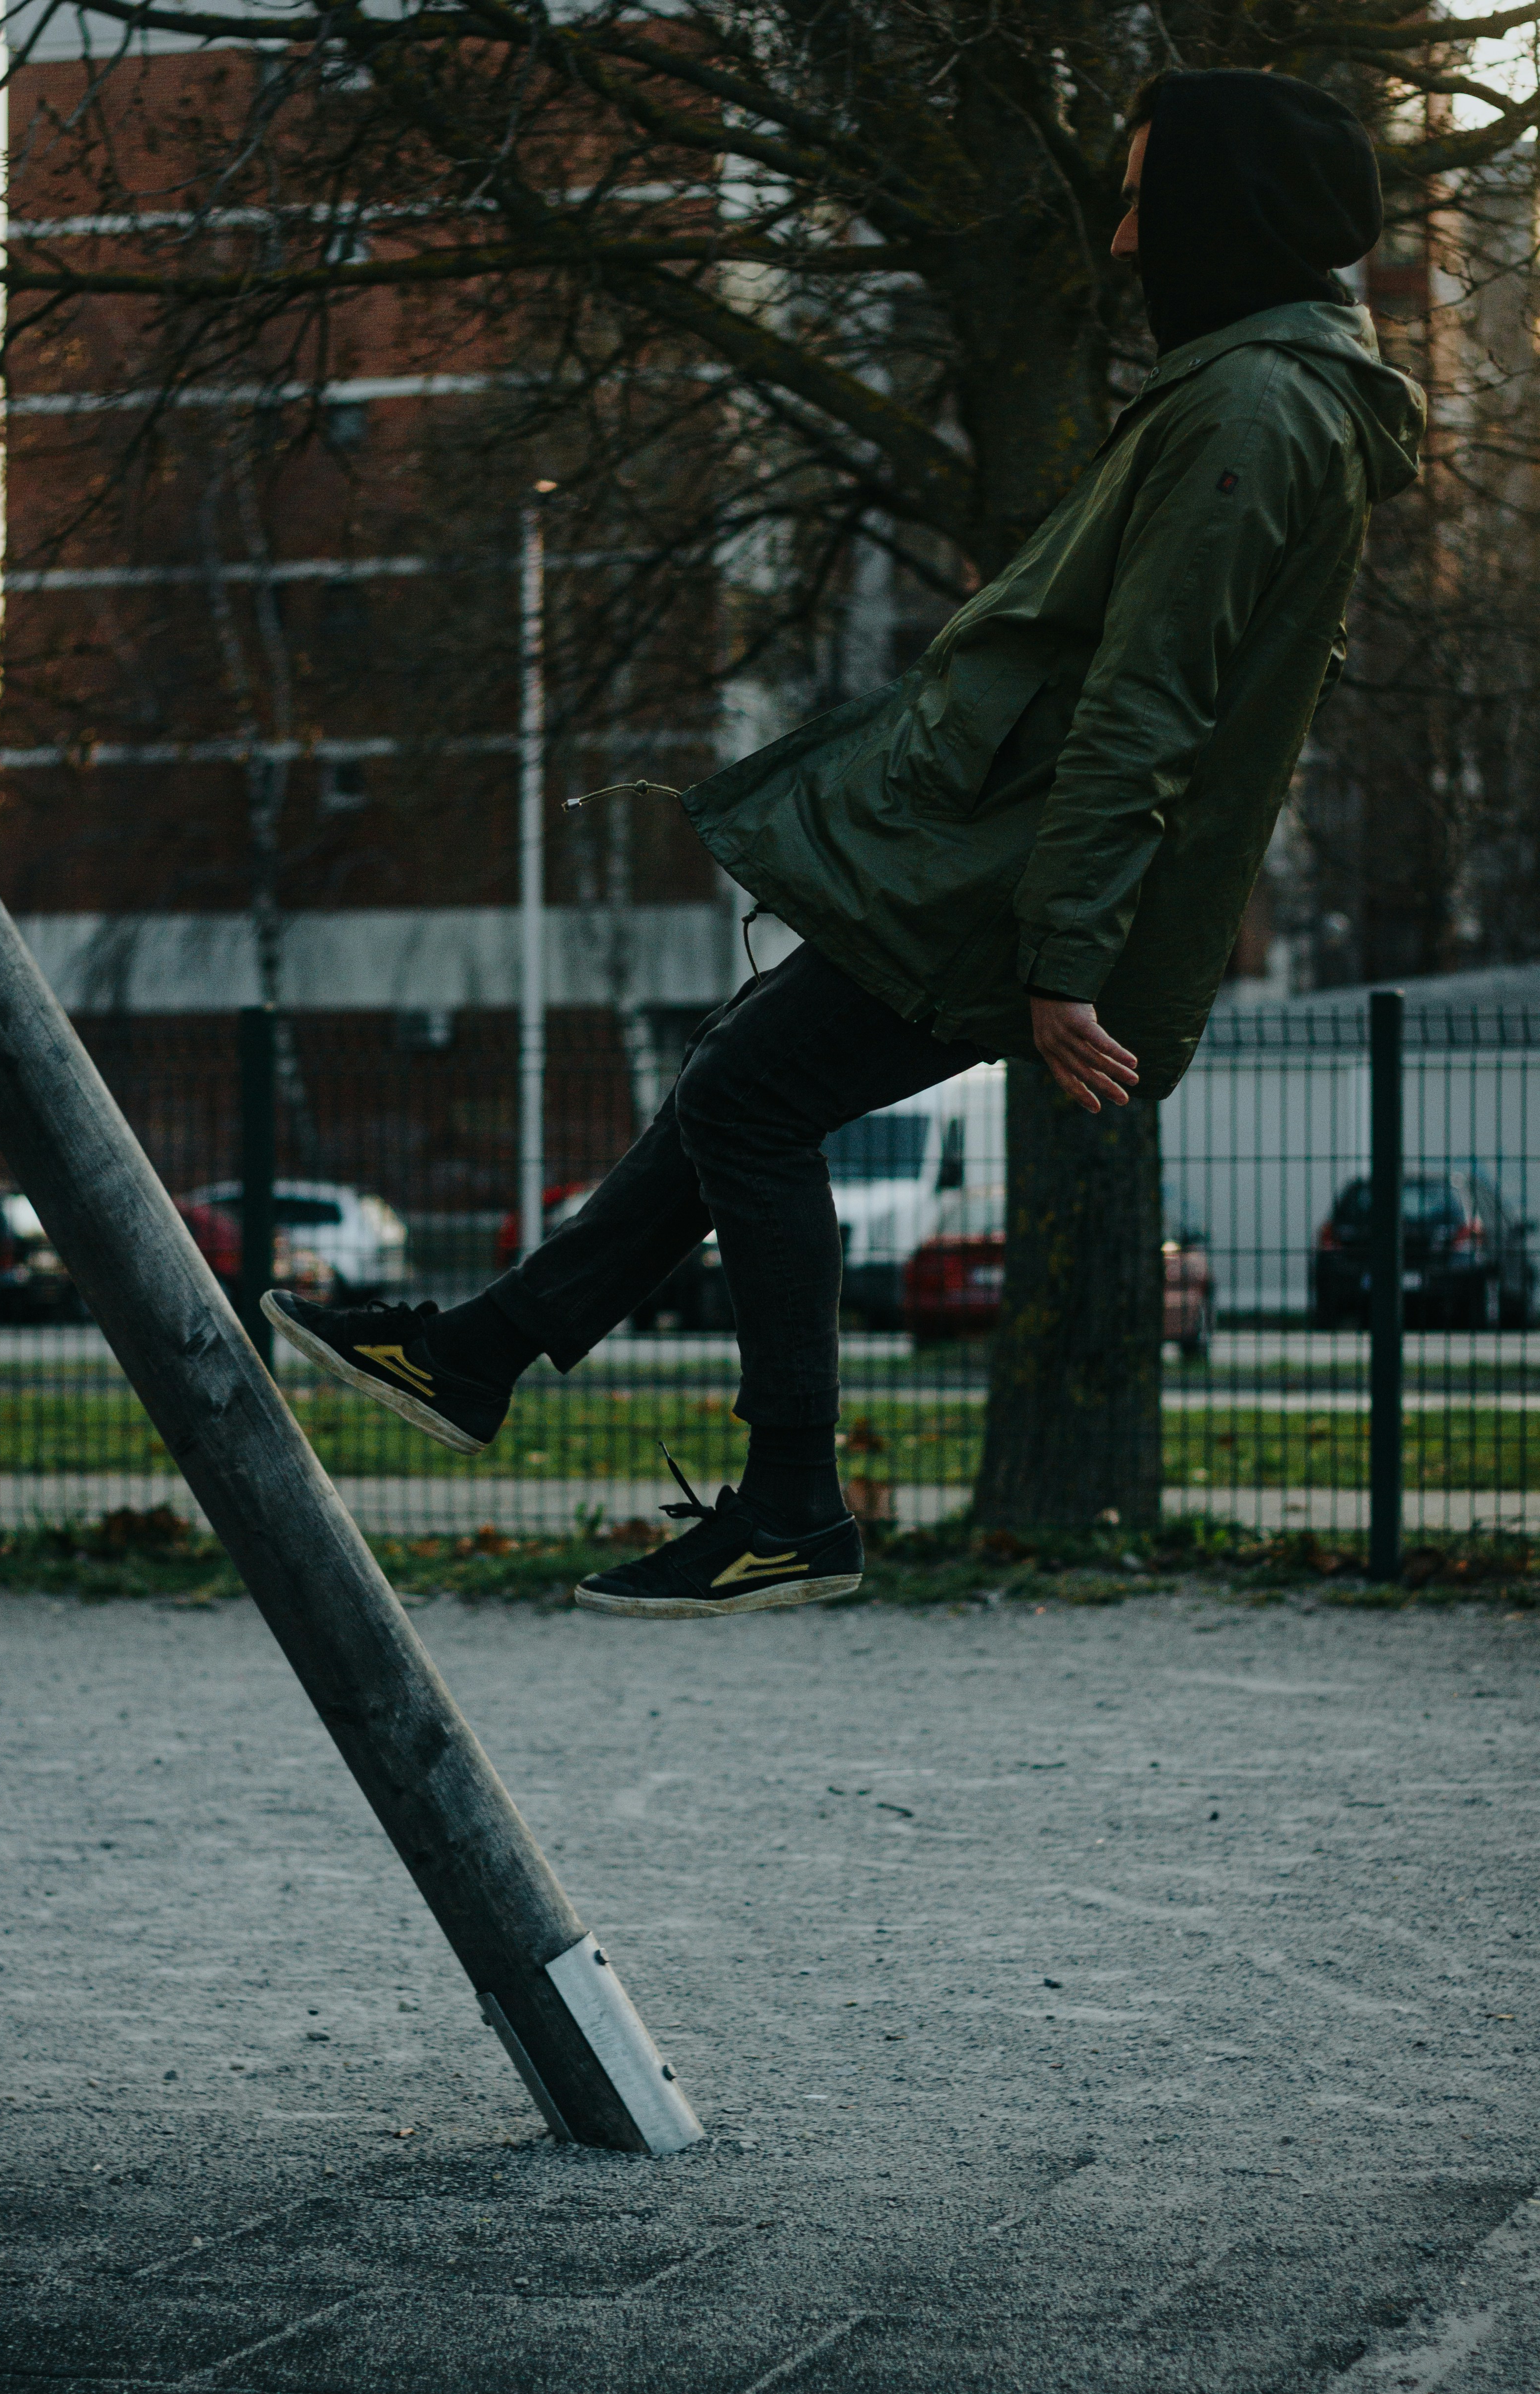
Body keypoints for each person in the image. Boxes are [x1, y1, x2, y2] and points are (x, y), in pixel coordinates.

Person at [265, 67, 1423, 1619]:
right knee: (745, 1062)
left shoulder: (1251, 412)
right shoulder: (1270, 398)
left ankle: (788, 1502)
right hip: (1017, 857)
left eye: (1151, 201)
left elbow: (1154, 706)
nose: (1130, 242)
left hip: (1018, 876)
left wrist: (1072, 953)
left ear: (1232, 218)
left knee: (748, 1094)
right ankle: (483, 1357)